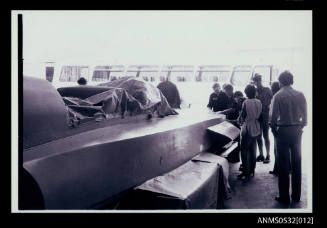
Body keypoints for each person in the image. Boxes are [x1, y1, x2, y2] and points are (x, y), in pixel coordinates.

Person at [270, 71, 307, 205]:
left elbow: (273, 118)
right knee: (297, 162)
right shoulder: (300, 94)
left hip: (283, 131)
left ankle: (284, 196)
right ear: (291, 80)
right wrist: (300, 126)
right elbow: (305, 117)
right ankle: (296, 195)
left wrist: (275, 131)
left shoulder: (278, 96)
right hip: (297, 130)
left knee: (283, 165)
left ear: (280, 82)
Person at [237, 84, 262, 180]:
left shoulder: (246, 102)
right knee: (253, 149)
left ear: (246, 93)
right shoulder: (259, 101)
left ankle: (245, 171)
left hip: (248, 127)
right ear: (254, 92)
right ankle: (252, 170)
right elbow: (260, 116)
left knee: (244, 150)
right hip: (256, 126)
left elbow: (243, 116)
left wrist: (239, 119)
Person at [252, 74, 273, 163]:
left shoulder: (267, 89)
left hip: (265, 115)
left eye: (259, 80)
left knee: (266, 136)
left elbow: (273, 100)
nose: (258, 82)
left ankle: (268, 155)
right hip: (257, 116)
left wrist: (269, 106)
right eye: (256, 80)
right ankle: (261, 154)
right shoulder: (254, 91)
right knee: (258, 136)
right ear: (254, 82)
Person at [269, 81, 281, 176]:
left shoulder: (276, 97)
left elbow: (273, 115)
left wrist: (272, 127)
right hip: (291, 127)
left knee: (277, 149)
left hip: (278, 126)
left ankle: (277, 168)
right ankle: (288, 167)